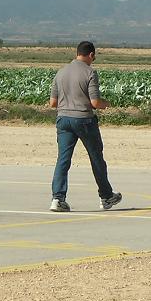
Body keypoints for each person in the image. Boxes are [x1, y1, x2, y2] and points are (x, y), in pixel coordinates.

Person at [48, 41, 122, 212]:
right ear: (91, 55)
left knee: (63, 160)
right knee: (96, 158)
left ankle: (57, 198)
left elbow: (52, 103)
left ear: (77, 53)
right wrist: (107, 104)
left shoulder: (61, 72)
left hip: (63, 119)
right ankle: (106, 196)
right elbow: (95, 102)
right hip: (83, 120)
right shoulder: (90, 72)